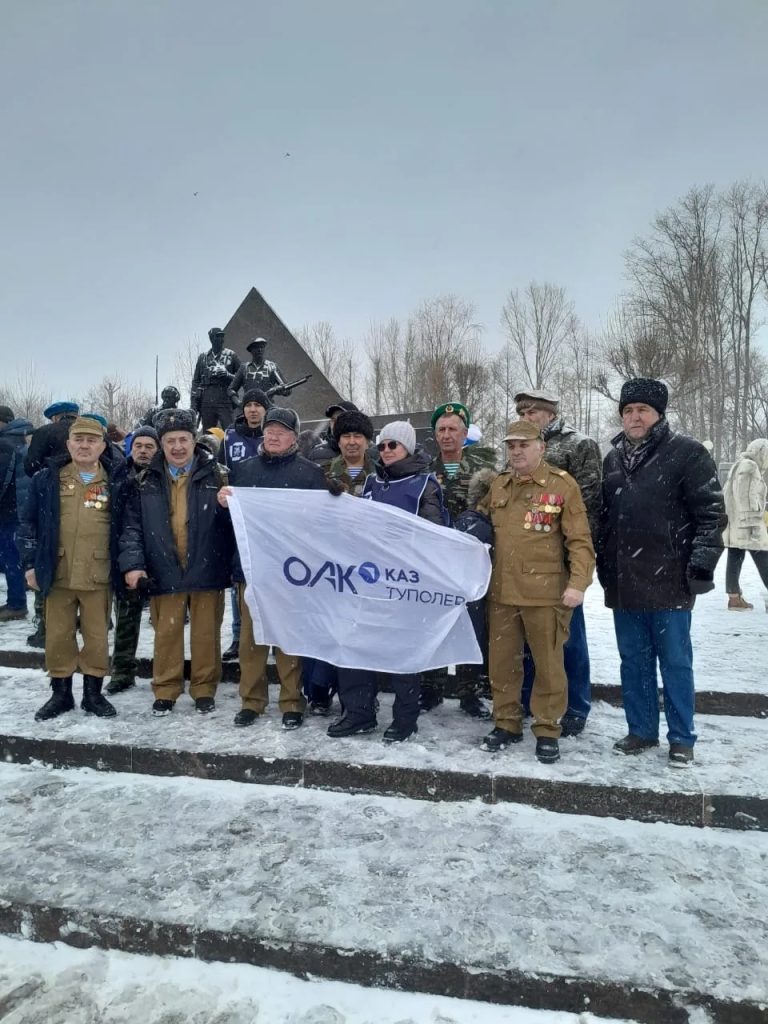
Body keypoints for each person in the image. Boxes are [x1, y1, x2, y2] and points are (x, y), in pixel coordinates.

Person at [597, 378, 726, 768]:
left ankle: (682, 737)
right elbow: (605, 520)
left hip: (670, 579)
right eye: (628, 410)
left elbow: (711, 514)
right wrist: (605, 565)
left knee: (675, 663)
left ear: (659, 414)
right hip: (625, 582)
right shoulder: (613, 459)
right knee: (633, 661)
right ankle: (641, 730)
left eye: (643, 410)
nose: (634, 417)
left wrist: (701, 564)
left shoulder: (687, 453)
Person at [477, 420, 594, 764]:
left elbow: (580, 541)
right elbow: (479, 528)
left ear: (541, 447)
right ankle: (506, 722)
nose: (516, 451)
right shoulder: (499, 485)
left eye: (524, 445)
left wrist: (578, 584)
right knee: (502, 664)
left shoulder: (562, 485)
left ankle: (547, 729)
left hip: (545, 594)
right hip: (501, 593)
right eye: (511, 445)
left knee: (549, 666)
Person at [327, 421, 448, 743]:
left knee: (401, 651)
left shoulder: (424, 484)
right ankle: (359, 712)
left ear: (408, 447)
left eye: (393, 444)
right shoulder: (371, 481)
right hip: (368, 580)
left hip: (403, 582)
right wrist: (337, 501)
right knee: (354, 645)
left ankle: (405, 719)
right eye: (381, 445)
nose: (386, 450)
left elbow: (436, 535)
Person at [217, 406, 327, 730]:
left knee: (287, 639)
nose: (274, 437)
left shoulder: (309, 474)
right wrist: (224, 503)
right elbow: (231, 524)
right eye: (269, 431)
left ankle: (292, 701)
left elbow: (319, 523)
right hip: (251, 569)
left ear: (294, 437)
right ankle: (251, 701)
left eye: (281, 432)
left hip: (290, 573)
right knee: (251, 642)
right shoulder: (244, 470)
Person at [119, 409, 233, 716]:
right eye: (170, 441)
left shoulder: (219, 474)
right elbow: (131, 527)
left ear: (194, 441)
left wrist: (226, 508)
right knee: (166, 635)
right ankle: (166, 688)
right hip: (162, 567)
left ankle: (204, 688)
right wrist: (133, 565)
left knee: (206, 635)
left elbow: (235, 526)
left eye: (183, 439)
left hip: (207, 566)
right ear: (162, 444)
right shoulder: (144, 479)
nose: (178, 447)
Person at [18, 416, 126, 722]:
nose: (84, 446)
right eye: (78, 440)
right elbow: (28, 524)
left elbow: (125, 526)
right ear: (68, 444)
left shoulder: (116, 481)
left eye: (92, 440)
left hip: (98, 573)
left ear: (102, 446)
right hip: (58, 573)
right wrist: (30, 564)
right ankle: (61, 694)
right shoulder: (47, 479)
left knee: (97, 638)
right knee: (58, 637)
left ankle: (93, 694)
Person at [514, 388, 602, 737]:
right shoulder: (518, 447)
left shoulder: (578, 445)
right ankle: (533, 701)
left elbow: (589, 507)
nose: (525, 418)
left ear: (550, 414)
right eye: (521, 413)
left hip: (561, 563)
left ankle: (575, 706)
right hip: (525, 562)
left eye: (531, 413)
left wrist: (575, 565)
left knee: (568, 639)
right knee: (530, 639)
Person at [422, 401, 497, 719]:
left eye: (453, 429)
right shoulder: (424, 470)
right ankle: (431, 687)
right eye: (441, 429)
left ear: (465, 434)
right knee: (434, 622)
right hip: (436, 563)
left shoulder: (485, 472)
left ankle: (470, 691)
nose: (447, 435)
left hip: (470, 564)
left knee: (472, 625)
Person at [218, 388, 274, 661]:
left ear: (266, 409)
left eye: (258, 405)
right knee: (239, 577)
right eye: (248, 405)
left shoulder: (274, 434)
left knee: (269, 578)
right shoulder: (230, 436)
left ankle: (272, 634)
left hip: (268, 518)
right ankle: (238, 636)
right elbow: (220, 471)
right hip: (239, 516)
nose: (253, 409)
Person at [106, 426, 159, 695]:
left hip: (160, 555)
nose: (143, 451)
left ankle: (167, 672)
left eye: (149, 446)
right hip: (127, 553)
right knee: (126, 617)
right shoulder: (117, 474)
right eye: (138, 446)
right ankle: (122, 671)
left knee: (166, 621)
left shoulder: (163, 475)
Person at [721, 439, 768, 609]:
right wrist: (754, 524)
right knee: (764, 558)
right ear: (761, 452)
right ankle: (734, 598)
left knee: (735, 556)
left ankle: (734, 598)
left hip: (736, 524)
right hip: (747, 524)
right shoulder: (750, 467)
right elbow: (746, 497)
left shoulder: (739, 465)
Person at [0, 406, 35, 622]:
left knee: (10, 557)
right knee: (15, 555)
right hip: (20, 507)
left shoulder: (4, 443)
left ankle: (16, 604)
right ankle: (19, 595)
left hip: (8, 511)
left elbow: (1, 480)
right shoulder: (20, 439)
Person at [191, 327, 242, 430]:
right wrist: (194, 404)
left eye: (222, 336)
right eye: (218, 336)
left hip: (224, 398)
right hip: (207, 400)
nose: (221, 339)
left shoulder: (231, 355)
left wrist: (227, 375)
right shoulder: (203, 358)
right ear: (211, 338)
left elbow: (242, 377)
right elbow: (196, 382)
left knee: (230, 430)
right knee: (208, 433)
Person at [227, 338, 289, 403]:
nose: (259, 350)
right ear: (251, 350)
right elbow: (231, 389)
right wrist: (239, 403)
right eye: (256, 347)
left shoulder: (272, 366)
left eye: (262, 347)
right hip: (250, 405)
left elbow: (287, 390)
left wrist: (280, 391)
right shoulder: (244, 368)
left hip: (268, 405)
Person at [306, 401, 361, 466]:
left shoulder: (368, 453)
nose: (335, 424)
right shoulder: (317, 454)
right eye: (333, 420)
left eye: (341, 420)